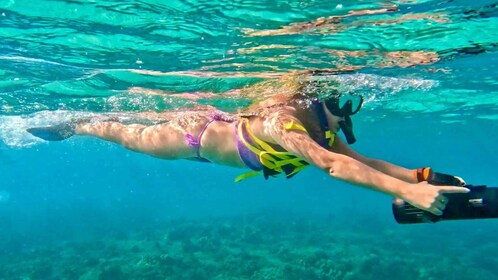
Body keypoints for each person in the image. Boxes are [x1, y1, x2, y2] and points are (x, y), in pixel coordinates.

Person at [27, 73, 469, 216]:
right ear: (321, 97)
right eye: (345, 102)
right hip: (190, 139)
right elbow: (331, 167)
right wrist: (408, 194)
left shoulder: (323, 128)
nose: (349, 114)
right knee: (122, 133)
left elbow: (359, 159)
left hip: (228, 130)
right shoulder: (285, 123)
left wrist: (418, 177)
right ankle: (77, 124)